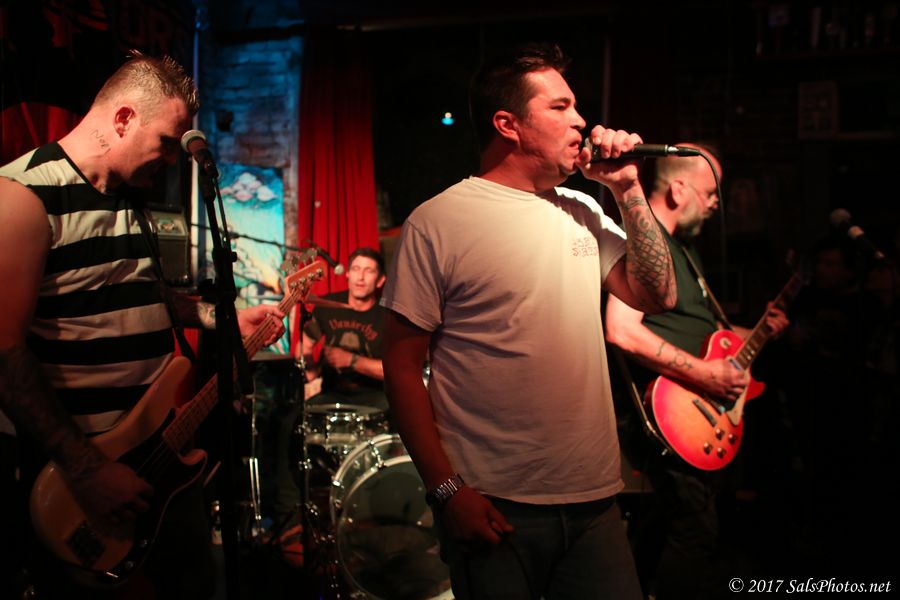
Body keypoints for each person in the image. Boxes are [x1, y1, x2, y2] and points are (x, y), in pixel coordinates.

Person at [380, 43, 677, 600]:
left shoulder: (583, 209)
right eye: (561, 107)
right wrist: (447, 491)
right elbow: (400, 367)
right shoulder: (438, 222)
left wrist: (627, 188)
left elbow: (658, 295)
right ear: (507, 124)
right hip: (494, 501)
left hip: (594, 500)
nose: (581, 120)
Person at [0, 51, 284, 599]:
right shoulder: (23, 197)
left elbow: (143, 296)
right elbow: (4, 352)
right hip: (82, 476)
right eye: (166, 143)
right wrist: (87, 470)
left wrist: (218, 315)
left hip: (161, 455)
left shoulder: (130, 196)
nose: (173, 160)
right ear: (124, 118)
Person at [604, 144, 789, 599]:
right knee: (695, 528)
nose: (714, 204)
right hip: (665, 411)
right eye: (710, 193)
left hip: (692, 409)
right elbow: (621, 330)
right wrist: (705, 376)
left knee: (665, 527)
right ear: (679, 189)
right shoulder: (645, 244)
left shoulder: (685, 253)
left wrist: (761, 330)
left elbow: (706, 333)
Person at [269, 247, 388, 555]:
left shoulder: (387, 315)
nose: (360, 277)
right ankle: (290, 519)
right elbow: (306, 345)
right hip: (333, 394)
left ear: (380, 280)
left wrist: (353, 361)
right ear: (347, 274)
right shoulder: (327, 307)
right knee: (289, 422)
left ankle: (381, 517)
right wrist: (308, 366)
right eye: (356, 269)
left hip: (376, 397)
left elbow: (396, 369)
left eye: (369, 271)